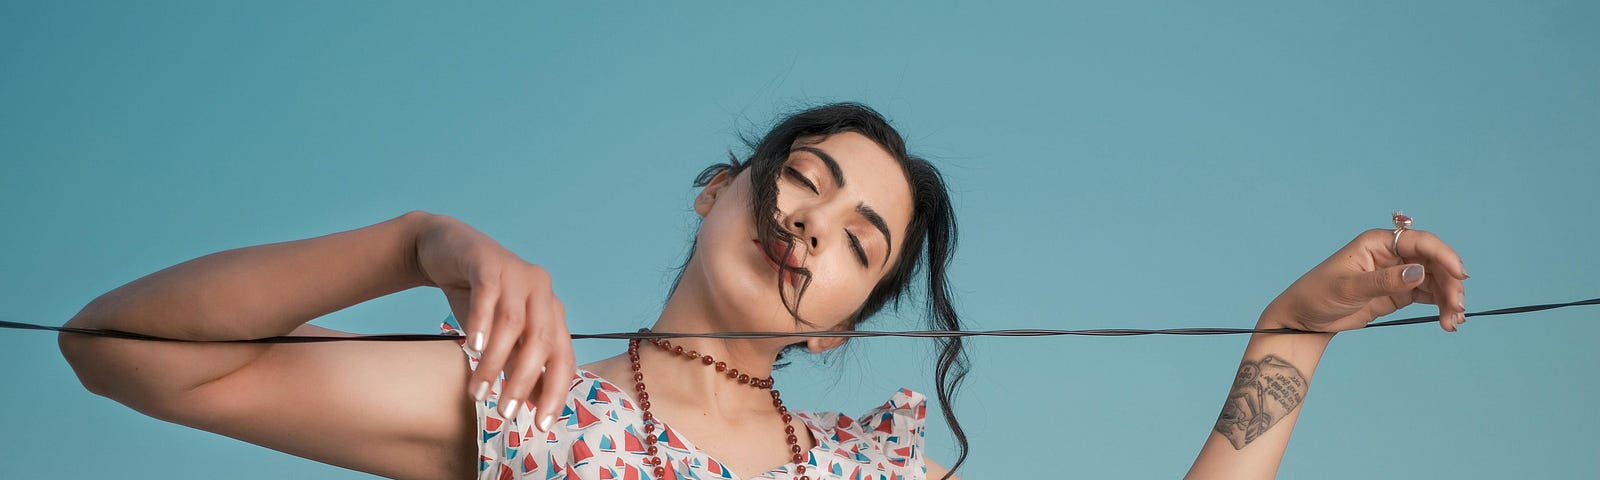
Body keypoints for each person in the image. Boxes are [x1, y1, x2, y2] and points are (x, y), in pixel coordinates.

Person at [57, 103, 1468, 480]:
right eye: (807, 181)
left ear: (849, 318)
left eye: (863, 244)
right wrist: (422, 243)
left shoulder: (874, 471)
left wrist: (1292, 332)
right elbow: (123, 349)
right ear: (721, 188)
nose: (814, 232)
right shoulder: (529, 414)